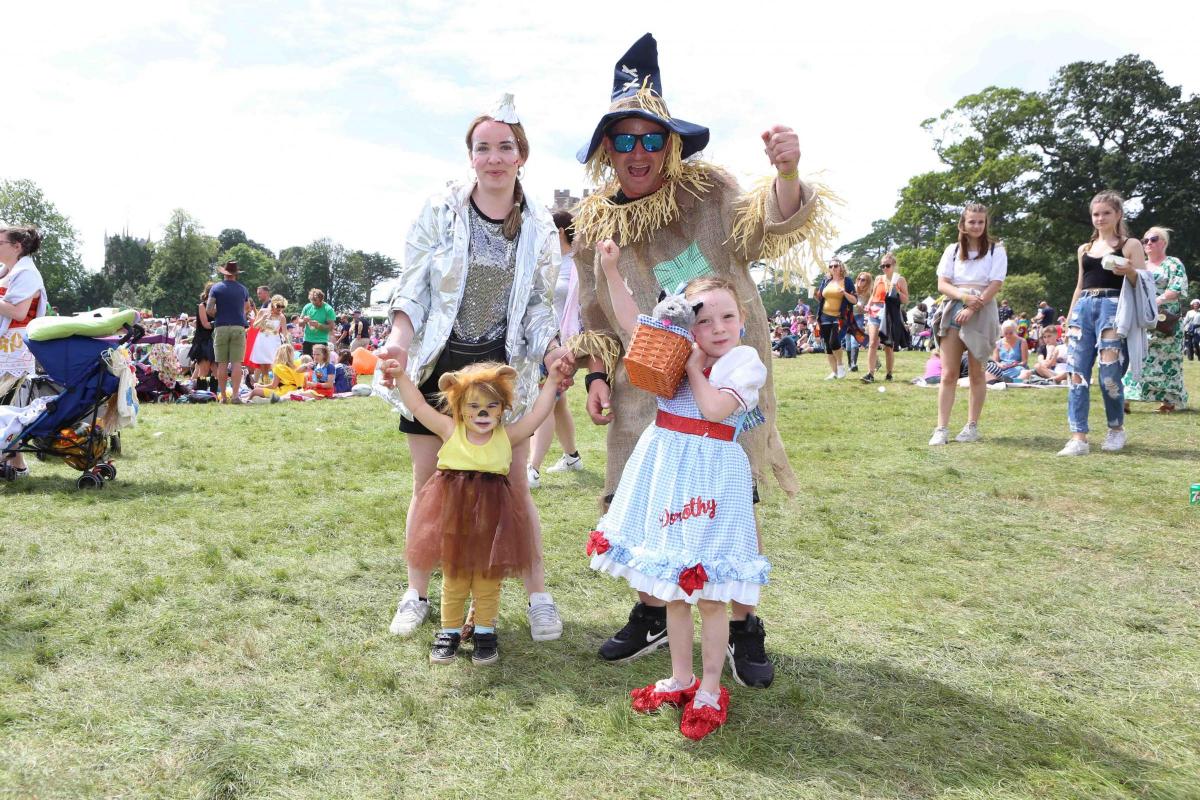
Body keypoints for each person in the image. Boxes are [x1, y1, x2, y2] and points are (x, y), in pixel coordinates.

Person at [571, 34, 833, 686]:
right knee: (643, 499)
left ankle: (743, 626)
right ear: (608, 149)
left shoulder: (709, 193)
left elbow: (768, 227)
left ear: (671, 142)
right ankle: (653, 611)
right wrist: (599, 373)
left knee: (730, 502)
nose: (638, 153)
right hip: (644, 392)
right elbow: (594, 313)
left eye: (649, 138)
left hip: (726, 386)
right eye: (623, 140)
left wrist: (789, 175)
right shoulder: (594, 223)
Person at [377, 94, 566, 642]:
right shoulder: (441, 211)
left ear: (521, 155)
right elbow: (413, 287)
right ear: (471, 157)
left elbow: (537, 304)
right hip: (441, 366)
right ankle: (416, 593)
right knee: (429, 484)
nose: (493, 158)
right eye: (482, 148)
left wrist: (551, 347)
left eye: (504, 147)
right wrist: (397, 342)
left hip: (501, 373)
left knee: (513, 488)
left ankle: (538, 597)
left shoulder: (538, 227)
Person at [588, 251, 768, 740]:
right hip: (668, 468)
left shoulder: (743, 362)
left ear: (742, 318)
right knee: (673, 586)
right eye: (703, 319)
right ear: (690, 323)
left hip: (713, 475)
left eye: (727, 316)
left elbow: (712, 410)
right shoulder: (676, 346)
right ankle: (680, 676)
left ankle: (710, 685)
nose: (716, 327)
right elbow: (633, 325)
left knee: (708, 591)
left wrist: (691, 365)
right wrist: (610, 272)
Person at [385, 353, 573, 665]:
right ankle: (450, 631)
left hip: (492, 522)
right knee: (454, 578)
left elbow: (537, 416)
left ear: (503, 408)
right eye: (473, 406)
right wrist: (402, 376)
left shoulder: (507, 436)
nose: (482, 413)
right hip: (454, 519)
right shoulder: (450, 431)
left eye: (491, 406)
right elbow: (418, 406)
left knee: (488, 580)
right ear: (458, 407)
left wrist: (552, 381)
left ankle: (485, 631)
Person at [1057, 191, 1146, 456]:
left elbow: (1143, 284)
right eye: (1096, 214)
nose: (1100, 218)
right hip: (1083, 309)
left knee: (1109, 373)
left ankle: (1116, 429)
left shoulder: (1130, 245)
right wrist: (1069, 319)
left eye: (1106, 213)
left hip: (1114, 308)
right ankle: (1078, 437)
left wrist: (1129, 270)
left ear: (1118, 214)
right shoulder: (1084, 249)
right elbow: (1079, 285)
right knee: (1076, 373)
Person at [929, 204, 1007, 445]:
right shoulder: (952, 251)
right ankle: (941, 428)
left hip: (983, 310)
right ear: (963, 224)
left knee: (976, 373)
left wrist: (973, 307)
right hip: (954, 307)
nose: (976, 226)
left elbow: (995, 284)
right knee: (949, 373)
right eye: (972, 221)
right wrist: (963, 299)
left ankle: (972, 425)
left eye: (981, 222)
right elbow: (943, 284)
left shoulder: (996, 250)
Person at [528, 210, 585, 489]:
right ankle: (572, 457)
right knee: (557, 403)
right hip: (541, 341)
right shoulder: (546, 262)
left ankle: (532, 468)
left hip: (563, 346)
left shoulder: (578, 263)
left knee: (545, 401)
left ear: (560, 230)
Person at [0, 225, 50, 476]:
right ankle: (17, 465)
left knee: (9, 405)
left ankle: (16, 464)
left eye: (0, 243)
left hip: (15, 348)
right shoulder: (6, 271)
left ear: (16, 246)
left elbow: (19, 312)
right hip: (4, 345)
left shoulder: (27, 272)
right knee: (8, 407)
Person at [1122, 226, 1189, 412]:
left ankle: (1169, 402)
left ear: (1164, 243)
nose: (1148, 243)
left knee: (1169, 361)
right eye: (1145, 241)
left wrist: (1157, 300)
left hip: (1166, 323)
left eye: (1153, 239)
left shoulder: (1173, 264)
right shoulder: (1140, 266)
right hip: (1143, 321)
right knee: (1137, 359)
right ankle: (1125, 398)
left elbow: (1177, 289)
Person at [206, 260, 252, 404]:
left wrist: (218, 315)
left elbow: (209, 309)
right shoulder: (243, 289)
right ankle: (236, 395)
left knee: (222, 364)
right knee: (237, 363)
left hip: (221, 327)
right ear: (236, 274)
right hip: (238, 327)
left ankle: (224, 397)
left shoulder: (216, 288)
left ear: (224, 273)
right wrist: (239, 313)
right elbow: (248, 307)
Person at [860, 253, 908, 383]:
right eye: (882, 266)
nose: (884, 268)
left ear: (893, 265)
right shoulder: (878, 278)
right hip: (875, 311)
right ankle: (870, 373)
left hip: (889, 312)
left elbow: (905, 299)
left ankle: (889, 373)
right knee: (872, 343)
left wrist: (896, 290)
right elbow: (873, 294)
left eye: (887, 265)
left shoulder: (900, 279)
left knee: (888, 345)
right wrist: (868, 305)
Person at [814, 259, 856, 380]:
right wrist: (814, 294)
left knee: (834, 342)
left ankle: (840, 366)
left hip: (840, 316)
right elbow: (820, 298)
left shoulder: (847, 281)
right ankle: (835, 372)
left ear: (841, 267)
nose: (833, 268)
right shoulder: (826, 281)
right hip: (824, 316)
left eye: (835, 266)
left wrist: (844, 293)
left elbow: (854, 300)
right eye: (830, 266)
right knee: (827, 345)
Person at [247, 295, 288, 381]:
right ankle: (265, 381)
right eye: (278, 306)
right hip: (262, 339)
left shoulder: (282, 317)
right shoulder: (263, 312)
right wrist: (262, 318)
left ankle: (273, 382)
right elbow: (254, 327)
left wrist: (286, 343)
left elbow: (285, 332)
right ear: (272, 304)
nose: (280, 309)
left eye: (282, 306)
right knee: (262, 361)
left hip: (274, 341)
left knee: (274, 362)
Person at [189, 282, 217, 393]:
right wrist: (219, 322)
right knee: (204, 370)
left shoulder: (219, 307)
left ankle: (214, 395)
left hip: (215, 341)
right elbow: (205, 324)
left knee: (216, 370)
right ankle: (202, 394)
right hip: (203, 341)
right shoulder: (202, 306)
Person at [846, 271, 872, 371]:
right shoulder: (852, 288)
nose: (860, 281)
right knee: (848, 340)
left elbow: (868, 307)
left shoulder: (869, 293)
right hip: (848, 316)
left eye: (863, 280)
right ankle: (850, 364)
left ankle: (853, 364)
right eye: (859, 279)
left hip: (858, 317)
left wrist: (864, 307)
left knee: (855, 339)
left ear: (867, 282)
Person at [300, 289, 336, 357]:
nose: (314, 303)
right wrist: (304, 321)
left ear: (321, 299)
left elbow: (331, 327)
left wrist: (318, 325)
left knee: (319, 364)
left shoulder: (328, 309)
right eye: (312, 301)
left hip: (321, 342)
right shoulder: (307, 307)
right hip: (307, 340)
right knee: (307, 364)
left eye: (316, 301)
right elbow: (299, 323)